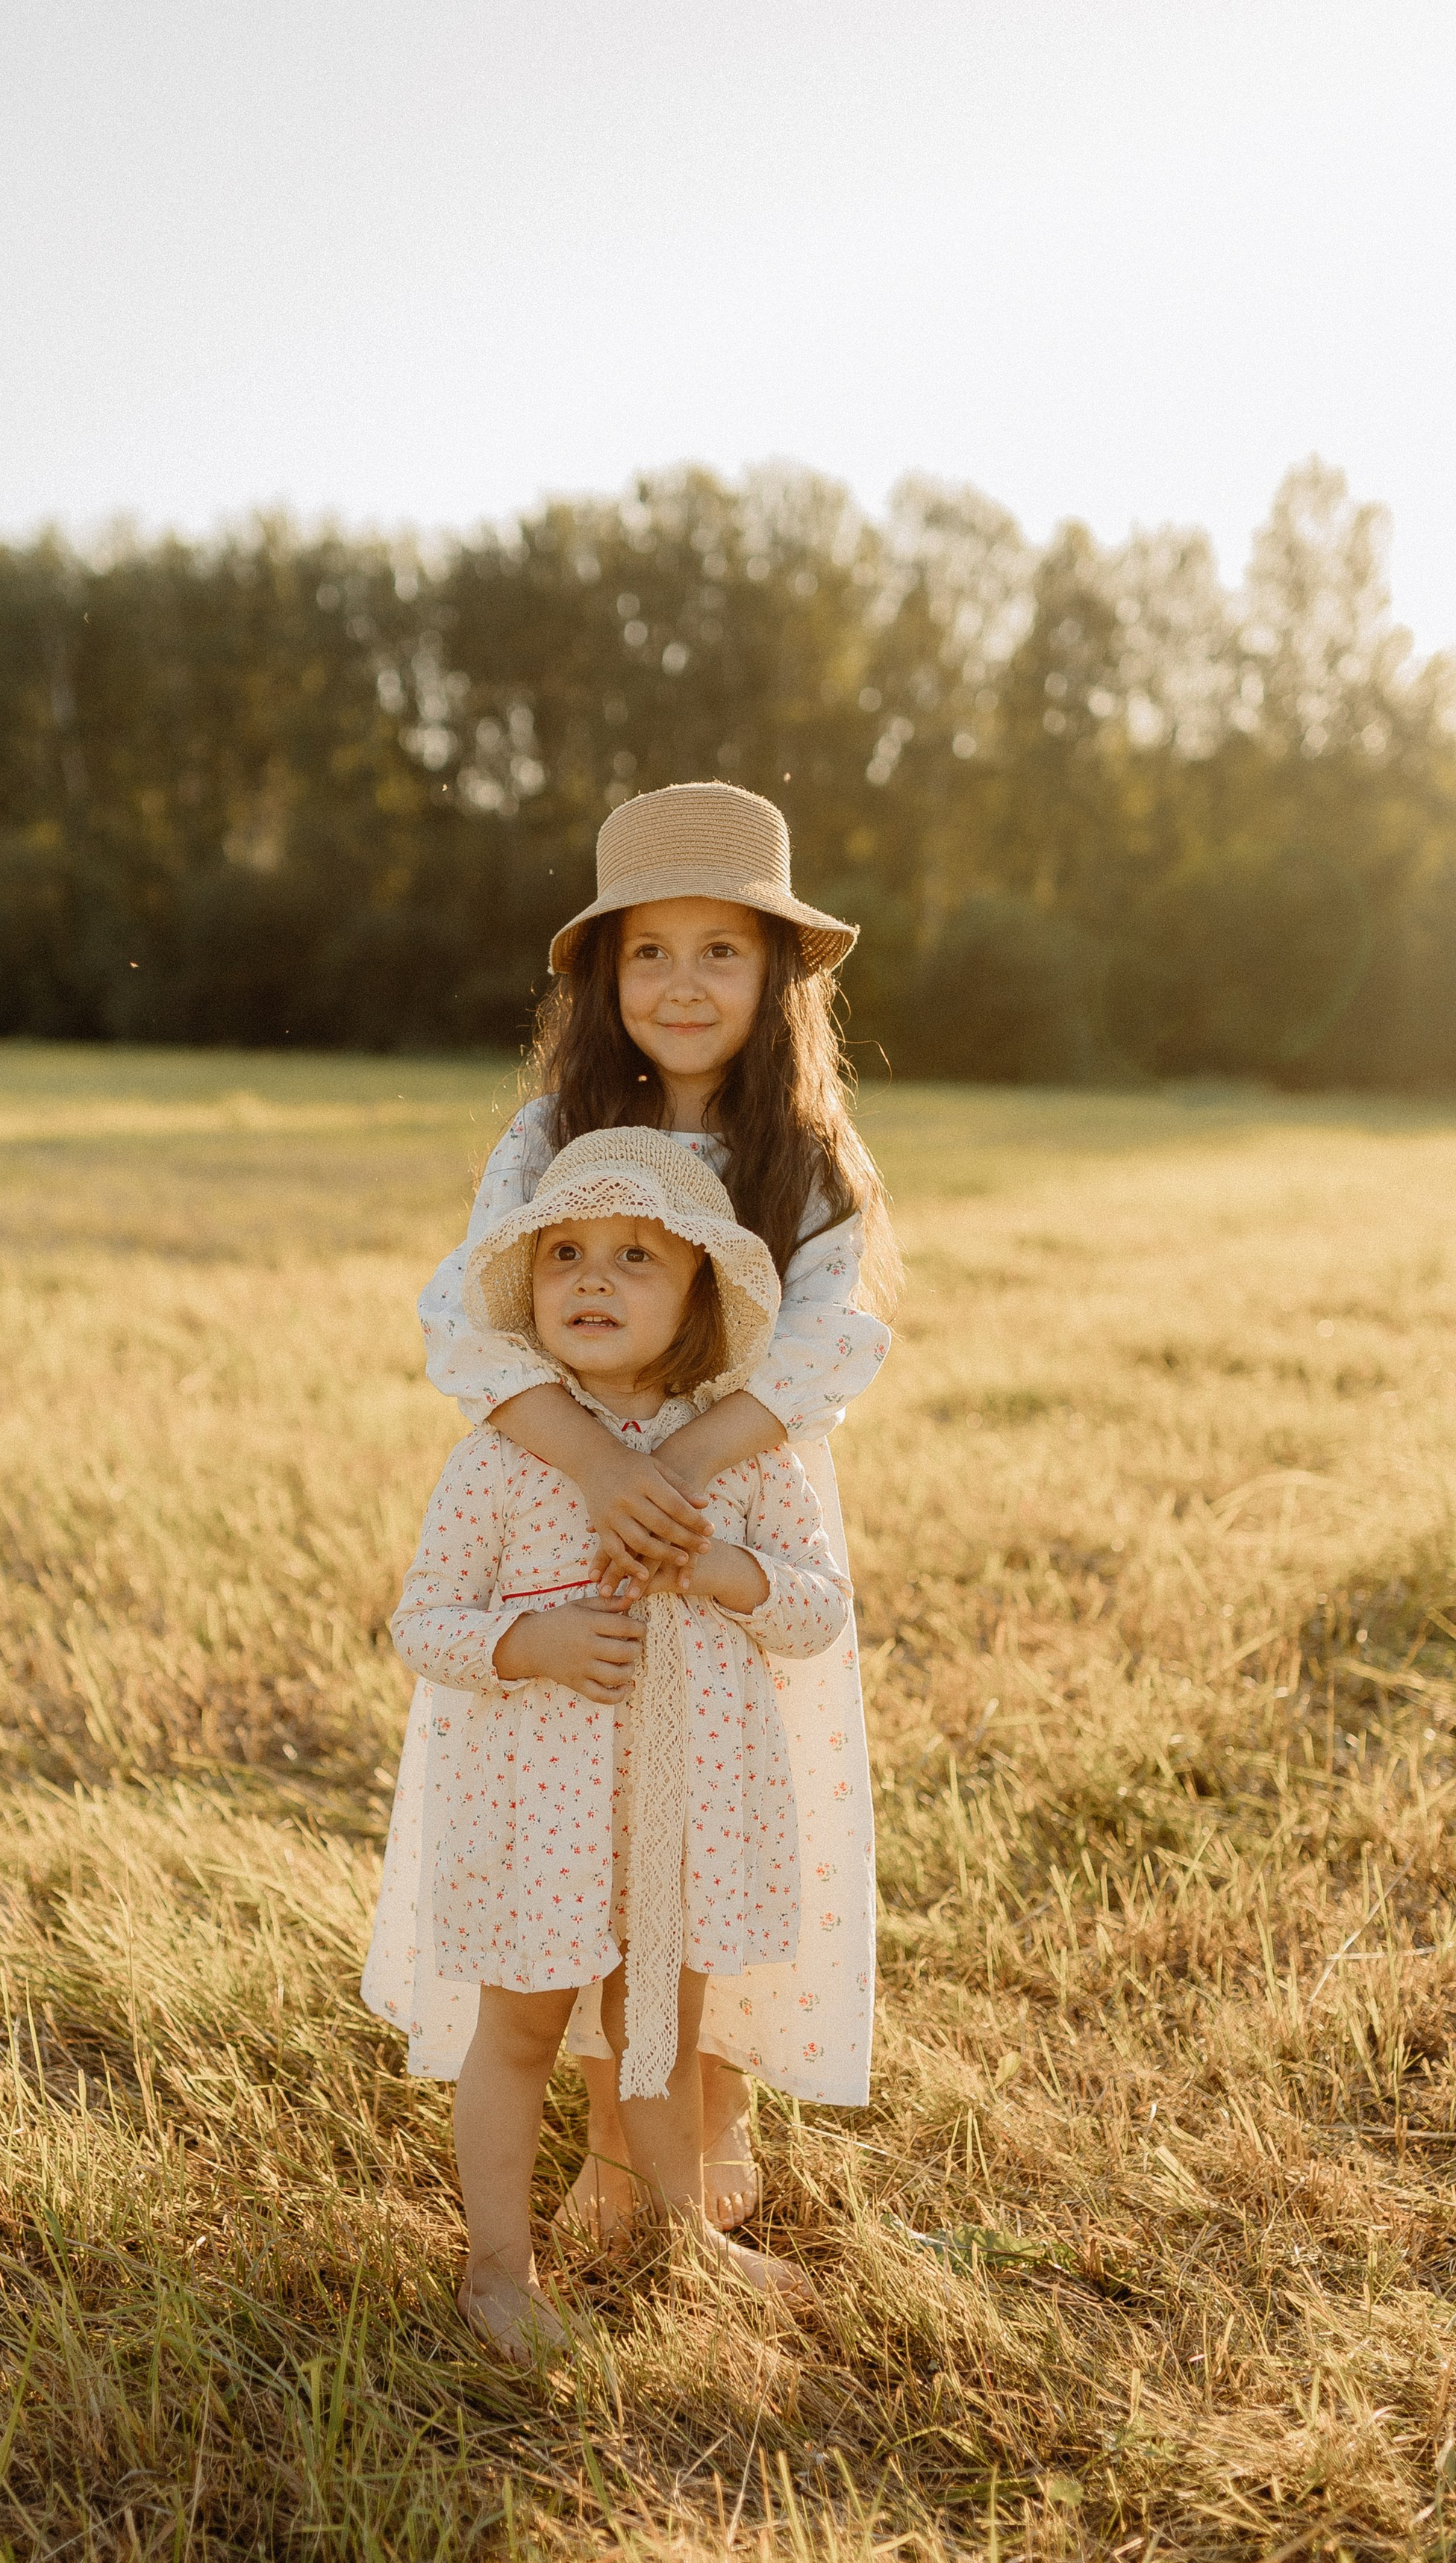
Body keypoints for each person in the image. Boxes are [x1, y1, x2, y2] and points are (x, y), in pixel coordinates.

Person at [366, 778, 896, 2235]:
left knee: (702, 1858)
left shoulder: (808, 1156)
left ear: (774, 976)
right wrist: (601, 1467)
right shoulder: (550, 1136)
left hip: (725, 1524)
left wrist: (677, 1473)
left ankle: (698, 2148)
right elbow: (465, 1324)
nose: (680, 982)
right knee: (578, 1838)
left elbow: (828, 1346)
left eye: (717, 950)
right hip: (561, 1510)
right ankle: (610, 2154)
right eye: (647, 951)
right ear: (603, 972)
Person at [374, 1127, 852, 2357]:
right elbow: (422, 1623)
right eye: (565, 1253)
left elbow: (816, 1606)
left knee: (663, 2030)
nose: (592, 1278)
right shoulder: (506, 1455)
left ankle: (680, 2240)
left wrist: (724, 1567)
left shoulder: (745, 1455)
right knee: (523, 2028)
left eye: (635, 1255)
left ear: (699, 1290)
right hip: (537, 1814)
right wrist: (532, 1646)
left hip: (681, 1808)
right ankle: (496, 2271)